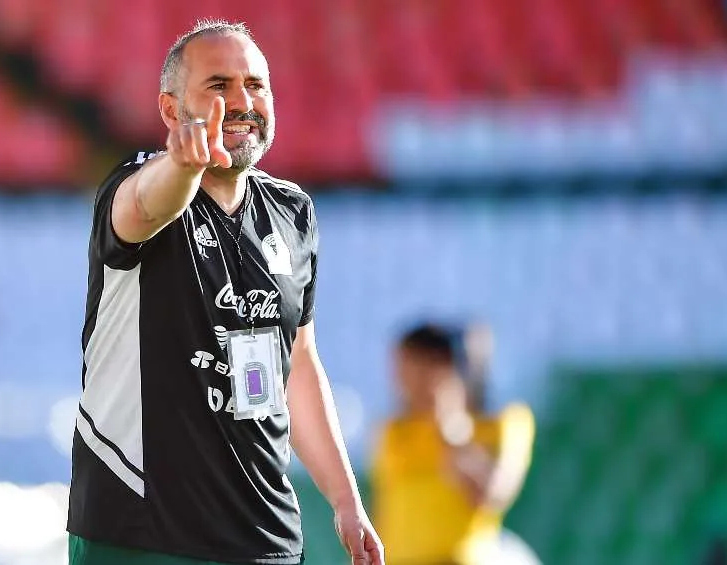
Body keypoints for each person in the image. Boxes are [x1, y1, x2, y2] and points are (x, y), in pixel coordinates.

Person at [67, 18, 383, 565]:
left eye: (255, 84)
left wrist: (345, 500)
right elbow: (146, 206)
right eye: (218, 86)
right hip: (141, 535)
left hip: (265, 538)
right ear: (170, 110)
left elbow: (298, 363)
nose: (241, 101)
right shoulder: (138, 184)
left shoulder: (292, 212)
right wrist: (184, 168)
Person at [370, 322, 537, 565]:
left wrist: (452, 429)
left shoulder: (503, 422)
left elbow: (492, 494)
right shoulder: (394, 431)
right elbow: (386, 511)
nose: (403, 382)